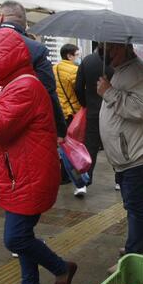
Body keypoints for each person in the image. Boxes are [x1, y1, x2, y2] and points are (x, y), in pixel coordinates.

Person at [0, 28, 77, 284]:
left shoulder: (24, 87)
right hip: (18, 174)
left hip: (28, 176)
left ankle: (61, 267)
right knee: (23, 236)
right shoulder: (13, 83)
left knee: (15, 237)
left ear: (5, 60)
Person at [0, 0, 67, 140]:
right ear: (24, 24)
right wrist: (60, 129)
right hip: (28, 129)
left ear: (0, 18)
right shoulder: (36, 48)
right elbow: (48, 91)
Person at [96, 42, 143, 257]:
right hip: (130, 151)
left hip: (138, 153)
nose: (107, 53)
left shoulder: (139, 72)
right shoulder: (123, 70)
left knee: (134, 206)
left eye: (112, 48)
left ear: (126, 47)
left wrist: (110, 93)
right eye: (103, 48)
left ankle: (133, 255)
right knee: (137, 204)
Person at [74, 45, 117, 190]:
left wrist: (85, 104)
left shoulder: (87, 61)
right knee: (114, 145)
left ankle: (84, 183)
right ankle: (119, 180)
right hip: (113, 111)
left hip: (93, 111)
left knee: (90, 146)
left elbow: (78, 87)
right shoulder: (117, 62)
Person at [53, 43, 85, 196]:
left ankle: (63, 176)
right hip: (73, 114)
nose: (78, 58)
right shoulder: (74, 70)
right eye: (77, 55)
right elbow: (80, 90)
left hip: (60, 114)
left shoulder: (54, 68)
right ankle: (80, 179)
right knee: (74, 148)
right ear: (69, 56)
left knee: (63, 146)